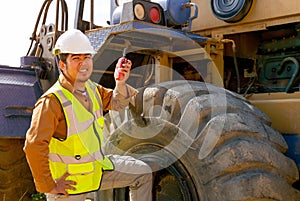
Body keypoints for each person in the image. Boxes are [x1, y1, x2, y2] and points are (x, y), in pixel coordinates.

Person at [23, 29, 153, 201]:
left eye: (87, 57)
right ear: (62, 65)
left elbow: (117, 103)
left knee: (143, 173)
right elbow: (33, 146)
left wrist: (120, 82)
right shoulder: (51, 102)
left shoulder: (92, 89)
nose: (83, 63)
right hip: (70, 186)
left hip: (96, 170)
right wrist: (50, 186)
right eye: (76, 58)